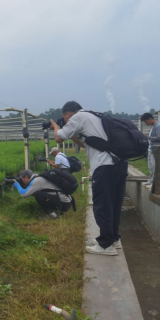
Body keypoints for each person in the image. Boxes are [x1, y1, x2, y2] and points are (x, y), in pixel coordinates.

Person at [50, 101, 124, 256]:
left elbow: (59, 138)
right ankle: (113, 239)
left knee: (102, 204)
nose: (66, 122)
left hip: (104, 166)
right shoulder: (93, 116)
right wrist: (69, 132)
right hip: (119, 164)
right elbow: (84, 143)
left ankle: (105, 245)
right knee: (114, 203)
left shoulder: (78, 117)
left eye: (65, 119)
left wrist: (55, 127)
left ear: (68, 114)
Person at [140, 112, 160, 187]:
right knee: (151, 167)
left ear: (150, 119)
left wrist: (147, 137)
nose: (146, 123)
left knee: (155, 168)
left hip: (157, 150)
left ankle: (154, 183)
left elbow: (159, 138)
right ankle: (151, 181)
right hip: (151, 150)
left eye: (146, 122)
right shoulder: (153, 126)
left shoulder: (158, 126)